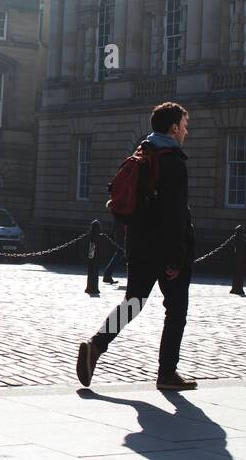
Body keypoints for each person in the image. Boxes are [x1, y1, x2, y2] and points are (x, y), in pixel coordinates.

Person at [77, 102, 197, 392]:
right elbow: (174, 213)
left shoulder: (142, 153)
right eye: (184, 125)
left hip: (138, 245)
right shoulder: (173, 161)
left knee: (132, 303)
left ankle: (97, 344)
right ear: (173, 128)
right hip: (166, 248)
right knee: (176, 310)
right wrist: (176, 256)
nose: (186, 131)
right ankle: (167, 373)